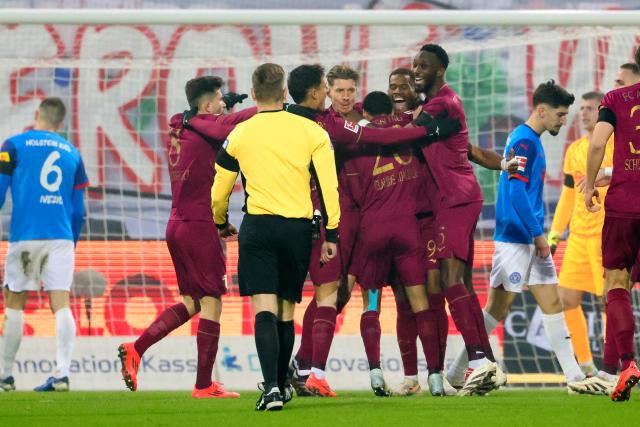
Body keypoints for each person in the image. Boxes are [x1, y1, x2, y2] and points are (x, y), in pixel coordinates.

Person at [284, 64, 460, 398]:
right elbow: (384, 133)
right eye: (338, 91)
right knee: (333, 293)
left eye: (352, 90)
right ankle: (307, 368)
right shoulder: (333, 124)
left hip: (358, 220)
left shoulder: (352, 118)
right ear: (325, 93)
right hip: (331, 216)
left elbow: (384, 123)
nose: (346, 96)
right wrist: (430, 129)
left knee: (337, 294)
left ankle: (306, 367)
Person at [212, 63, 341, 411]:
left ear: (253, 94)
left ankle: (271, 388)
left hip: (258, 227)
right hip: (297, 230)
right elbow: (329, 187)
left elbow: (220, 186)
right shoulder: (311, 131)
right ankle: (282, 385)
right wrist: (332, 233)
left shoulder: (241, 132)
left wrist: (220, 220)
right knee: (286, 311)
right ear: (284, 94)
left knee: (264, 310)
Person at [118, 76, 250, 398]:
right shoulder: (207, 126)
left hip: (177, 224)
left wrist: (226, 105)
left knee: (192, 302)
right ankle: (204, 384)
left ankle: (136, 347)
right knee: (212, 302)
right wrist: (272, 108)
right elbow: (222, 128)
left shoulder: (180, 125)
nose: (222, 106)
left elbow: (203, 121)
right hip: (198, 224)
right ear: (206, 106)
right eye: (218, 100)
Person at [482, 79, 607, 394]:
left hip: (527, 238)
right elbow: (515, 191)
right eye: (560, 114)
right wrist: (540, 235)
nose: (564, 120)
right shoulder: (524, 142)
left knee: (554, 304)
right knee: (497, 309)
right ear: (541, 110)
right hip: (515, 238)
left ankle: (575, 376)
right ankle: (458, 370)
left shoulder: (529, 140)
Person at [412, 43, 500, 395]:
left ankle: (478, 360)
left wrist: (365, 128)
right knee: (460, 282)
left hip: (456, 199)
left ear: (440, 69)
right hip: (459, 197)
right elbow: (470, 150)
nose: (417, 70)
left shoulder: (441, 104)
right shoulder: (444, 103)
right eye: (415, 64)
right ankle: (487, 363)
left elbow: (405, 133)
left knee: (450, 281)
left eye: (424, 65)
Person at [0, 98, 87, 392]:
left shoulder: (11, 146)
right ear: (60, 123)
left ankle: (5, 377)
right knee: (60, 302)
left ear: (37, 115)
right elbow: (78, 211)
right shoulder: (73, 153)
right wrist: (70, 243)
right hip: (61, 237)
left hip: (25, 235)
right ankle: (62, 374)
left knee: (15, 301)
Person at [584, 46, 640, 402]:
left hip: (624, 205)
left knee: (616, 282)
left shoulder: (615, 98)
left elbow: (597, 143)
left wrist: (591, 183)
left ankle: (628, 364)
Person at [546, 92, 612, 377]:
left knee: (609, 301)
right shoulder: (575, 149)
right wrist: (555, 233)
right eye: (581, 109)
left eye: (590, 108)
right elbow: (568, 195)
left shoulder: (616, 145)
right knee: (566, 300)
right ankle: (587, 367)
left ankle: (615, 367)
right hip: (577, 238)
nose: (583, 113)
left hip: (604, 234)